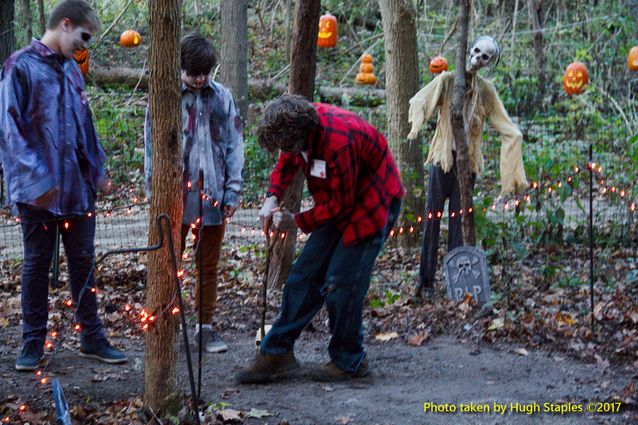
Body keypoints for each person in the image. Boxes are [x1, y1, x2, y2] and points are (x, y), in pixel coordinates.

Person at [235, 95, 404, 383]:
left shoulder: (340, 141)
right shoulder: (295, 129)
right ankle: (277, 353)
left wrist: (296, 221)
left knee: (340, 283)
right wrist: (271, 197)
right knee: (303, 275)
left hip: (371, 203)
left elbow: (343, 205)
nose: (285, 151)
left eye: (288, 146)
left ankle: (350, 362)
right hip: (337, 199)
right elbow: (288, 160)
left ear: (303, 133)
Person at [0, 0, 127, 371]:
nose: (84, 46)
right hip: (36, 195)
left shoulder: (73, 71)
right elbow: (9, 131)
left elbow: (84, 125)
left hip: (77, 190)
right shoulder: (19, 67)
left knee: (83, 262)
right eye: (84, 37)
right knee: (37, 265)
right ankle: (32, 344)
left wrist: (97, 171)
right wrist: (36, 179)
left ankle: (92, 337)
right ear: (66, 25)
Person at [144, 32, 244, 353]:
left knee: (208, 264)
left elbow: (234, 146)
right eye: (193, 73)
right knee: (167, 262)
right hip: (174, 198)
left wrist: (232, 192)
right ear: (181, 68)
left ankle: (205, 327)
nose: (200, 79)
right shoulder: (167, 97)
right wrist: (153, 191)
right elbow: (151, 146)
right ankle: (168, 325)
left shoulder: (223, 98)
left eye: (205, 73)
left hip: (213, 197)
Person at [407, 36, 528, 299]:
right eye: (476, 52)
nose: (478, 59)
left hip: (466, 167)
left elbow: (506, 125)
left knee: (458, 225)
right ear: (469, 50)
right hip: (442, 162)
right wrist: (417, 125)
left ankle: (455, 286)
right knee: (431, 221)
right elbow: (421, 100)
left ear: (489, 63)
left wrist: (514, 146)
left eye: (485, 57)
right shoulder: (449, 80)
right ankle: (425, 284)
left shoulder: (486, 91)